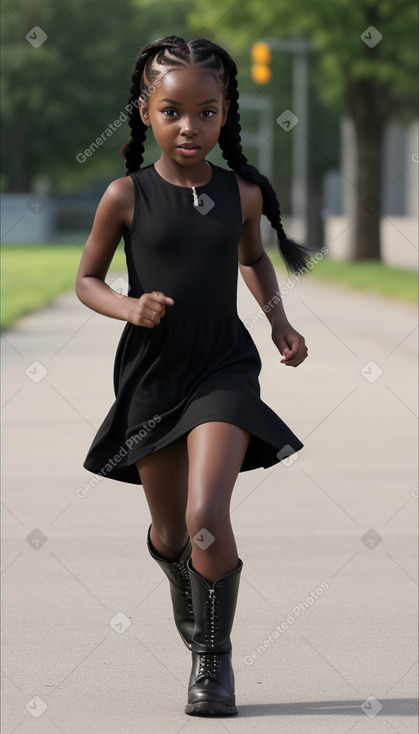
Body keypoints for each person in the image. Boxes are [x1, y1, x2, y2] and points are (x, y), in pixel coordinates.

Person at [75, 35, 309, 717]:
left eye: (205, 112)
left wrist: (277, 322)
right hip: (153, 374)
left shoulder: (240, 194)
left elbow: (253, 261)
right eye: (172, 111)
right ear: (145, 112)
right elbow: (87, 278)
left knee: (207, 513)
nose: (189, 127)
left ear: (224, 112)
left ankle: (213, 660)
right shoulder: (125, 195)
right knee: (174, 532)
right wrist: (127, 305)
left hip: (222, 368)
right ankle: (176, 567)